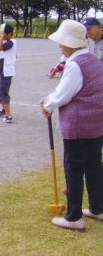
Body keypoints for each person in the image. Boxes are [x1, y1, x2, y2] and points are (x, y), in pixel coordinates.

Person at [40, 19, 103, 232]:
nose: (59, 45)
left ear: (71, 43)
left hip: (78, 125)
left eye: (62, 42)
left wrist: (47, 103)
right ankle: (97, 208)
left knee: (73, 168)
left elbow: (63, 95)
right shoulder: (92, 59)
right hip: (96, 123)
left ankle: (74, 217)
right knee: (94, 165)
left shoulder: (75, 64)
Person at [0, 23, 17, 123]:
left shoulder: (11, 42)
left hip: (6, 71)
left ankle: (8, 116)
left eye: (3, 34)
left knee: (3, 92)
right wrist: (0, 59)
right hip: (4, 69)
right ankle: (4, 109)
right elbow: (11, 56)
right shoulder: (10, 42)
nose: (1, 35)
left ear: (9, 34)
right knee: (1, 90)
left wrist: (2, 37)